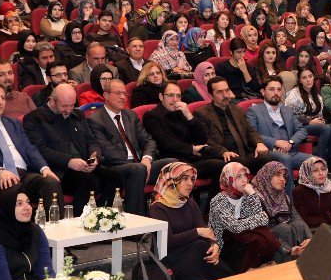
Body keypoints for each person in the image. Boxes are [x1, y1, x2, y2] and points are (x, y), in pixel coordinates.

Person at [23, 84, 111, 213]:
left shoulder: (78, 115)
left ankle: (106, 219)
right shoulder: (34, 118)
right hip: (59, 170)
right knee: (89, 182)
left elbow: (91, 141)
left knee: (113, 178)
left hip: (83, 165)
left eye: (72, 105)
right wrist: (69, 161)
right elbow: (39, 150)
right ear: (51, 101)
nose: (69, 110)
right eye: (64, 106)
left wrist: (94, 155)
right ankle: (81, 222)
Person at [87, 79, 165, 214]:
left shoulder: (130, 115)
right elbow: (106, 151)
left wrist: (146, 160)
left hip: (141, 165)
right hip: (116, 168)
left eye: (125, 94)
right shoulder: (95, 120)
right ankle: (136, 228)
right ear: (105, 95)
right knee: (137, 169)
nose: (123, 97)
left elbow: (148, 140)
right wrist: (139, 166)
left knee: (173, 165)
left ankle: (164, 219)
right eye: (118, 93)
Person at [148, 162, 232, 280]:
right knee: (199, 248)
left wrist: (213, 245)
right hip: (169, 258)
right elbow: (167, 241)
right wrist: (197, 232)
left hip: (192, 253)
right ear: (171, 181)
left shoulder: (189, 202)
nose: (190, 184)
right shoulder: (158, 208)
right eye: (185, 179)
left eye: (192, 179)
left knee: (203, 249)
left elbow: (205, 232)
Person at [142, 81, 226, 202]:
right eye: (170, 95)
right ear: (161, 97)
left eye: (178, 96)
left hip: (190, 159)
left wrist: (189, 116)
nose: (175, 100)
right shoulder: (152, 116)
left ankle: (211, 209)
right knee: (186, 169)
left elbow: (201, 139)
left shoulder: (181, 113)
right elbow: (164, 143)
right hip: (171, 162)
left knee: (220, 166)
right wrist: (191, 149)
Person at [194, 77, 282, 177]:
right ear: (211, 95)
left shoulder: (237, 110)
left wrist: (259, 143)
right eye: (219, 92)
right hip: (223, 156)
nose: (225, 95)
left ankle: (263, 191)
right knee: (241, 163)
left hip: (243, 152)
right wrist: (223, 152)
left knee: (268, 159)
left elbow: (250, 131)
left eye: (227, 90)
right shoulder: (202, 114)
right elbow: (206, 141)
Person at [245, 77, 315, 193]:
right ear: (263, 92)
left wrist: (290, 143)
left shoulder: (287, 110)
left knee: (316, 162)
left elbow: (302, 130)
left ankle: (313, 202)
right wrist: (275, 142)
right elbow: (251, 134)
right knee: (285, 158)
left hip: (290, 151)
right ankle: (288, 203)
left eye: (279, 89)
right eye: (272, 89)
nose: (276, 93)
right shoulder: (254, 111)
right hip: (269, 153)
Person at [207, 163, 280, 272]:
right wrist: (259, 218)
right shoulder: (218, 200)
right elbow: (235, 227)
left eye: (245, 175)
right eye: (238, 176)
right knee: (258, 237)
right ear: (229, 179)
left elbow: (263, 221)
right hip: (224, 247)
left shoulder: (246, 195)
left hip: (243, 241)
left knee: (261, 233)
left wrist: (252, 195)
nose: (244, 180)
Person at [251, 162, 312, 262]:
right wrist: (288, 249)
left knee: (298, 225)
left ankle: (302, 264)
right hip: (267, 245)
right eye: (277, 174)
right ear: (267, 175)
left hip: (287, 239)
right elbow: (263, 232)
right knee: (285, 228)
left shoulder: (283, 196)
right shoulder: (255, 198)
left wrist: (310, 238)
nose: (282, 179)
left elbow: (296, 216)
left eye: (284, 176)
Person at [284, 66, 331, 167]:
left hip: (314, 125)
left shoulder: (315, 94)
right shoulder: (294, 94)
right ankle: (320, 163)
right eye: (304, 78)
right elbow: (288, 117)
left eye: (310, 76)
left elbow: (319, 113)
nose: (308, 80)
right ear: (300, 81)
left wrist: (322, 120)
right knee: (326, 128)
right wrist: (309, 121)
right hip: (299, 126)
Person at [292, 156, 331, 232]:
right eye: (315, 170)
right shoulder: (299, 191)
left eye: (323, 169)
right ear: (307, 172)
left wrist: (327, 227)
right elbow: (303, 221)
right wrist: (330, 217)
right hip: (309, 235)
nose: (321, 173)